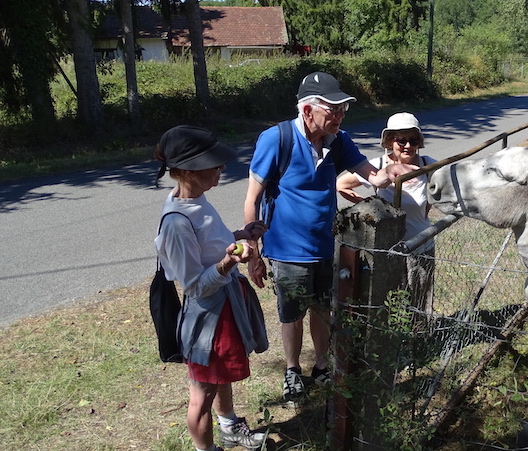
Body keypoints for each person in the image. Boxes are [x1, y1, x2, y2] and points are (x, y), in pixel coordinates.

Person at [244, 72, 415, 403]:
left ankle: (321, 366)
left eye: (342, 109)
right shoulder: (275, 139)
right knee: (292, 313)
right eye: (333, 109)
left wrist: (389, 172)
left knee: (323, 310)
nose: (339, 116)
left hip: (326, 245)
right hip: (288, 251)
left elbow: (372, 177)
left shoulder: (338, 139)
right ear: (308, 111)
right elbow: (252, 198)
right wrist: (252, 253)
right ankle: (292, 370)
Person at [154, 125, 268, 451]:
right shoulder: (176, 223)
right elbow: (193, 286)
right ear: (188, 170)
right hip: (207, 319)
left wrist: (240, 234)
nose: (221, 169)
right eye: (214, 165)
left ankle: (230, 427)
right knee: (201, 395)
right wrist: (229, 262)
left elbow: (211, 246)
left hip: (223, 306)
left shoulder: (197, 200)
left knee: (221, 377)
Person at [337, 112, 437, 319]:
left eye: (413, 139)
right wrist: (373, 208)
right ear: (390, 141)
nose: (408, 145)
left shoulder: (428, 165)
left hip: (421, 247)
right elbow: (341, 184)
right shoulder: (379, 166)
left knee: (420, 301)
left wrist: (427, 208)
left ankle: (418, 340)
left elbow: (444, 190)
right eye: (401, 140)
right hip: (388, 248)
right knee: (389, 301)